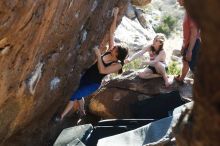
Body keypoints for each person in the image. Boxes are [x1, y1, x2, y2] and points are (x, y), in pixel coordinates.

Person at [57, 7, 128, 121]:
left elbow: (102, 71)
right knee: (79, 95)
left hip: (93, 83)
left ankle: (61, 116)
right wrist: (115, 16)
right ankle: (82, 111)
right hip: (86, 76)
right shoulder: (110, 50)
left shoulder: (118, 64)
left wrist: (99, 56)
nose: (113, 47)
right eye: (114, 46)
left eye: (115, 48)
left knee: (74, 95)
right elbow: (112, 32)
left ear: (117, 55)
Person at [175, 0, 201, 83]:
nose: (177, 1)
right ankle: (181, 79)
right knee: (185, 61)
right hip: (188, 43)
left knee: (195, 68)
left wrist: (189, 51)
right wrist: (183, 46)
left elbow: (194, 32)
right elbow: (187, 32)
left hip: (194, 44)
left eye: (179, 0)